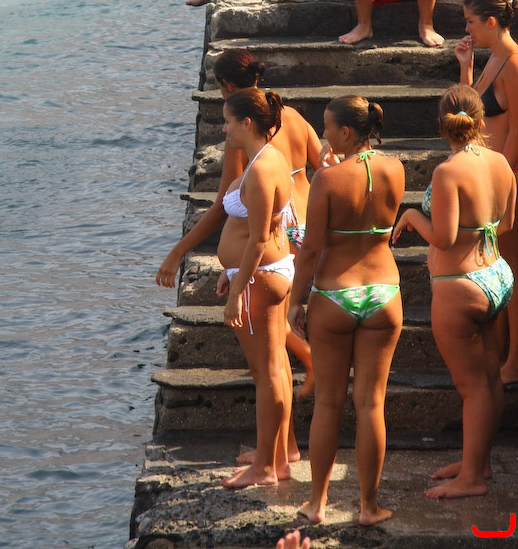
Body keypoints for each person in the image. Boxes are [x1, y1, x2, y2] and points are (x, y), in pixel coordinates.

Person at [156, 49, 324, 410]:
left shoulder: (244, 133)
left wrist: (178, 250)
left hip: (276, 232)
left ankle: (308, 363)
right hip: (302, 225)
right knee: (277, 322)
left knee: (270, 333)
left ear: (227, 86)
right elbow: (324, 166)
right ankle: (303, 371)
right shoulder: (289, 114)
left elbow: (222, 205)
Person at [393, 85, 515, 498]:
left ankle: (472, 479)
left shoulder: (448, 172)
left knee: (472, 387)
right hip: (495, 275)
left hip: (459, 285)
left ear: (441, 125)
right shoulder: (500, 162)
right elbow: (506, 224)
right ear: (481, 122)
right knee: (490, 379)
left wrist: (412, 214)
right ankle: (478, 462)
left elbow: (443, 238)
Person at [288, 95, 404, 525]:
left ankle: (317, 504)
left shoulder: (327, 179)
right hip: (384, 292)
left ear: (346, 132)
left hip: (336, 293)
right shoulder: (395, 168)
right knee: (371, 404)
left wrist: (296, 300)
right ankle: (369, 506)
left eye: (326, 127)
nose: (322, 134)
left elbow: (311, 249)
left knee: (329, 403)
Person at [214, 88, 296, 488]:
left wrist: (236, 292)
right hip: (259, 274)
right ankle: (278, 457)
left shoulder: (262, 169)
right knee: (275, 368)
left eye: (228, 121)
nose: (224, 128)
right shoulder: (268, 157)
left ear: (247, 123)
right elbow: (252, 229)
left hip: (259, 280)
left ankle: (264, 468)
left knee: (266, 374)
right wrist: (229, 271)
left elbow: (259, 238)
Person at [455, 0, 518, 386]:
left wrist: (501, 179)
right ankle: (501, 353)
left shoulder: (513, 62)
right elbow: (468, 110)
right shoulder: (493, 57)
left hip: (506, 179)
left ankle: (515, 361)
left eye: (470, 22)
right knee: (497, 267)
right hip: (487, 175)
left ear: (491, 22)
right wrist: (466, 67)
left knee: (512, 270)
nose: (467, 29)